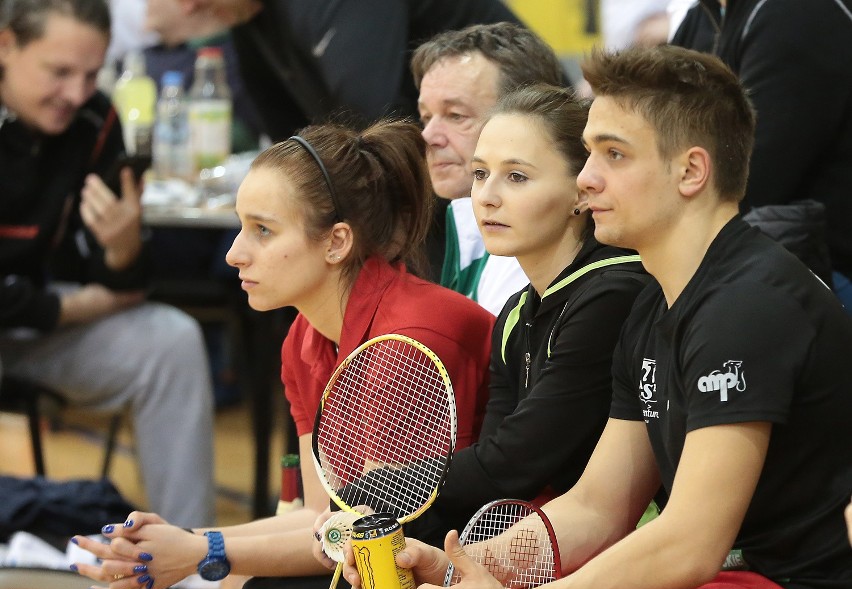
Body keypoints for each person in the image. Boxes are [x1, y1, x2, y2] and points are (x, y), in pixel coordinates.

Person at [346, 45, 852, 589]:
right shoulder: (652, 307)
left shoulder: (749, 304)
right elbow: (597, 506)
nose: (587, 179)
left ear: (690, 171)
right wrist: (463, 572)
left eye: (613, 155)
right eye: (588, 155)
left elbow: (691, 542)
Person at [71, 118, 495, 589]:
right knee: (242, 582)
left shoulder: (405, 346)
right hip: (370, 551)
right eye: (240, 227)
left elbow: (359, 535)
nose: (234, 254)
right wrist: (183, 546)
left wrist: (201, 547)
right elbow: (325, 522)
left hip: (461, 560)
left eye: (263, 231)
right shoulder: (304, 339)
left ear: (336, 242)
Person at [0, 0, 215, 527]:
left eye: (91, 73)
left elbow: (126, 284)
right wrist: (70, 305)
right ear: (5, 46)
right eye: (59, 72)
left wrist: (121, 248)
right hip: (37, 312)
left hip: (34, 326)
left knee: (173, 341)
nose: (76, 93)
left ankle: (184, 564)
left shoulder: (94, 119)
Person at [671, 0, 852, 309]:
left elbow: (747, 181)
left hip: (822, 272)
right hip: (754, 259)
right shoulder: (703, 16)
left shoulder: (798, 14)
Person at [147, 0, 523, 143]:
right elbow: (291, 139)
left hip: (517, 127)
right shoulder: (248, 16)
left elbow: (377, 122)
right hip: (439, 146)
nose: (189, 6)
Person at [413, 22, 565, 315]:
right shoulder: (464, 225)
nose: (428, 137)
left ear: (529, 114)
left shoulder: (535, 252)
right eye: (426, 116)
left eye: (455, 116)